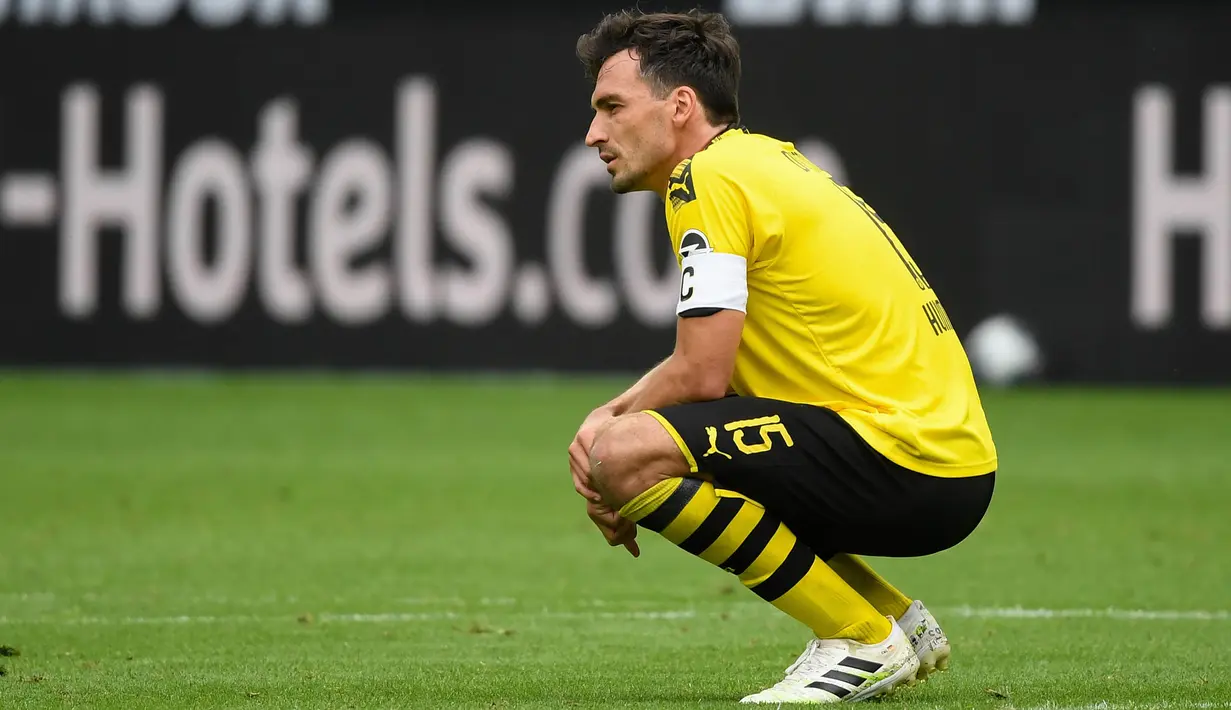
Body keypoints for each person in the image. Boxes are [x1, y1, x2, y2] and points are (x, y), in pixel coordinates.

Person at [567, 8, 998, 705]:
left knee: (629, 455)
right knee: (666, 437)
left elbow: (700, 374)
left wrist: (605, 436)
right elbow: (714, 373)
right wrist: (614, 415)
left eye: (611, 107)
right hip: (945, 459)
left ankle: (859, 638)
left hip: (902, 455)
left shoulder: (704, 181)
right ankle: (892, 620)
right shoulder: (762, 161)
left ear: (679, 106)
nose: (593, 133)